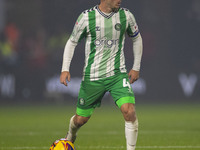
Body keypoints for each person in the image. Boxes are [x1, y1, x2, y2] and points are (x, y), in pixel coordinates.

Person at [60, 0, 143, 149]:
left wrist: (136, 67)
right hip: (93, 78)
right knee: (80, 120)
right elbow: (72, 42)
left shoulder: (126, 15)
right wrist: (65, 69)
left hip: (117, 75)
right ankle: (70, 137)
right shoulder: (86, 17)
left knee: (129, 111)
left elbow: (136, 38)